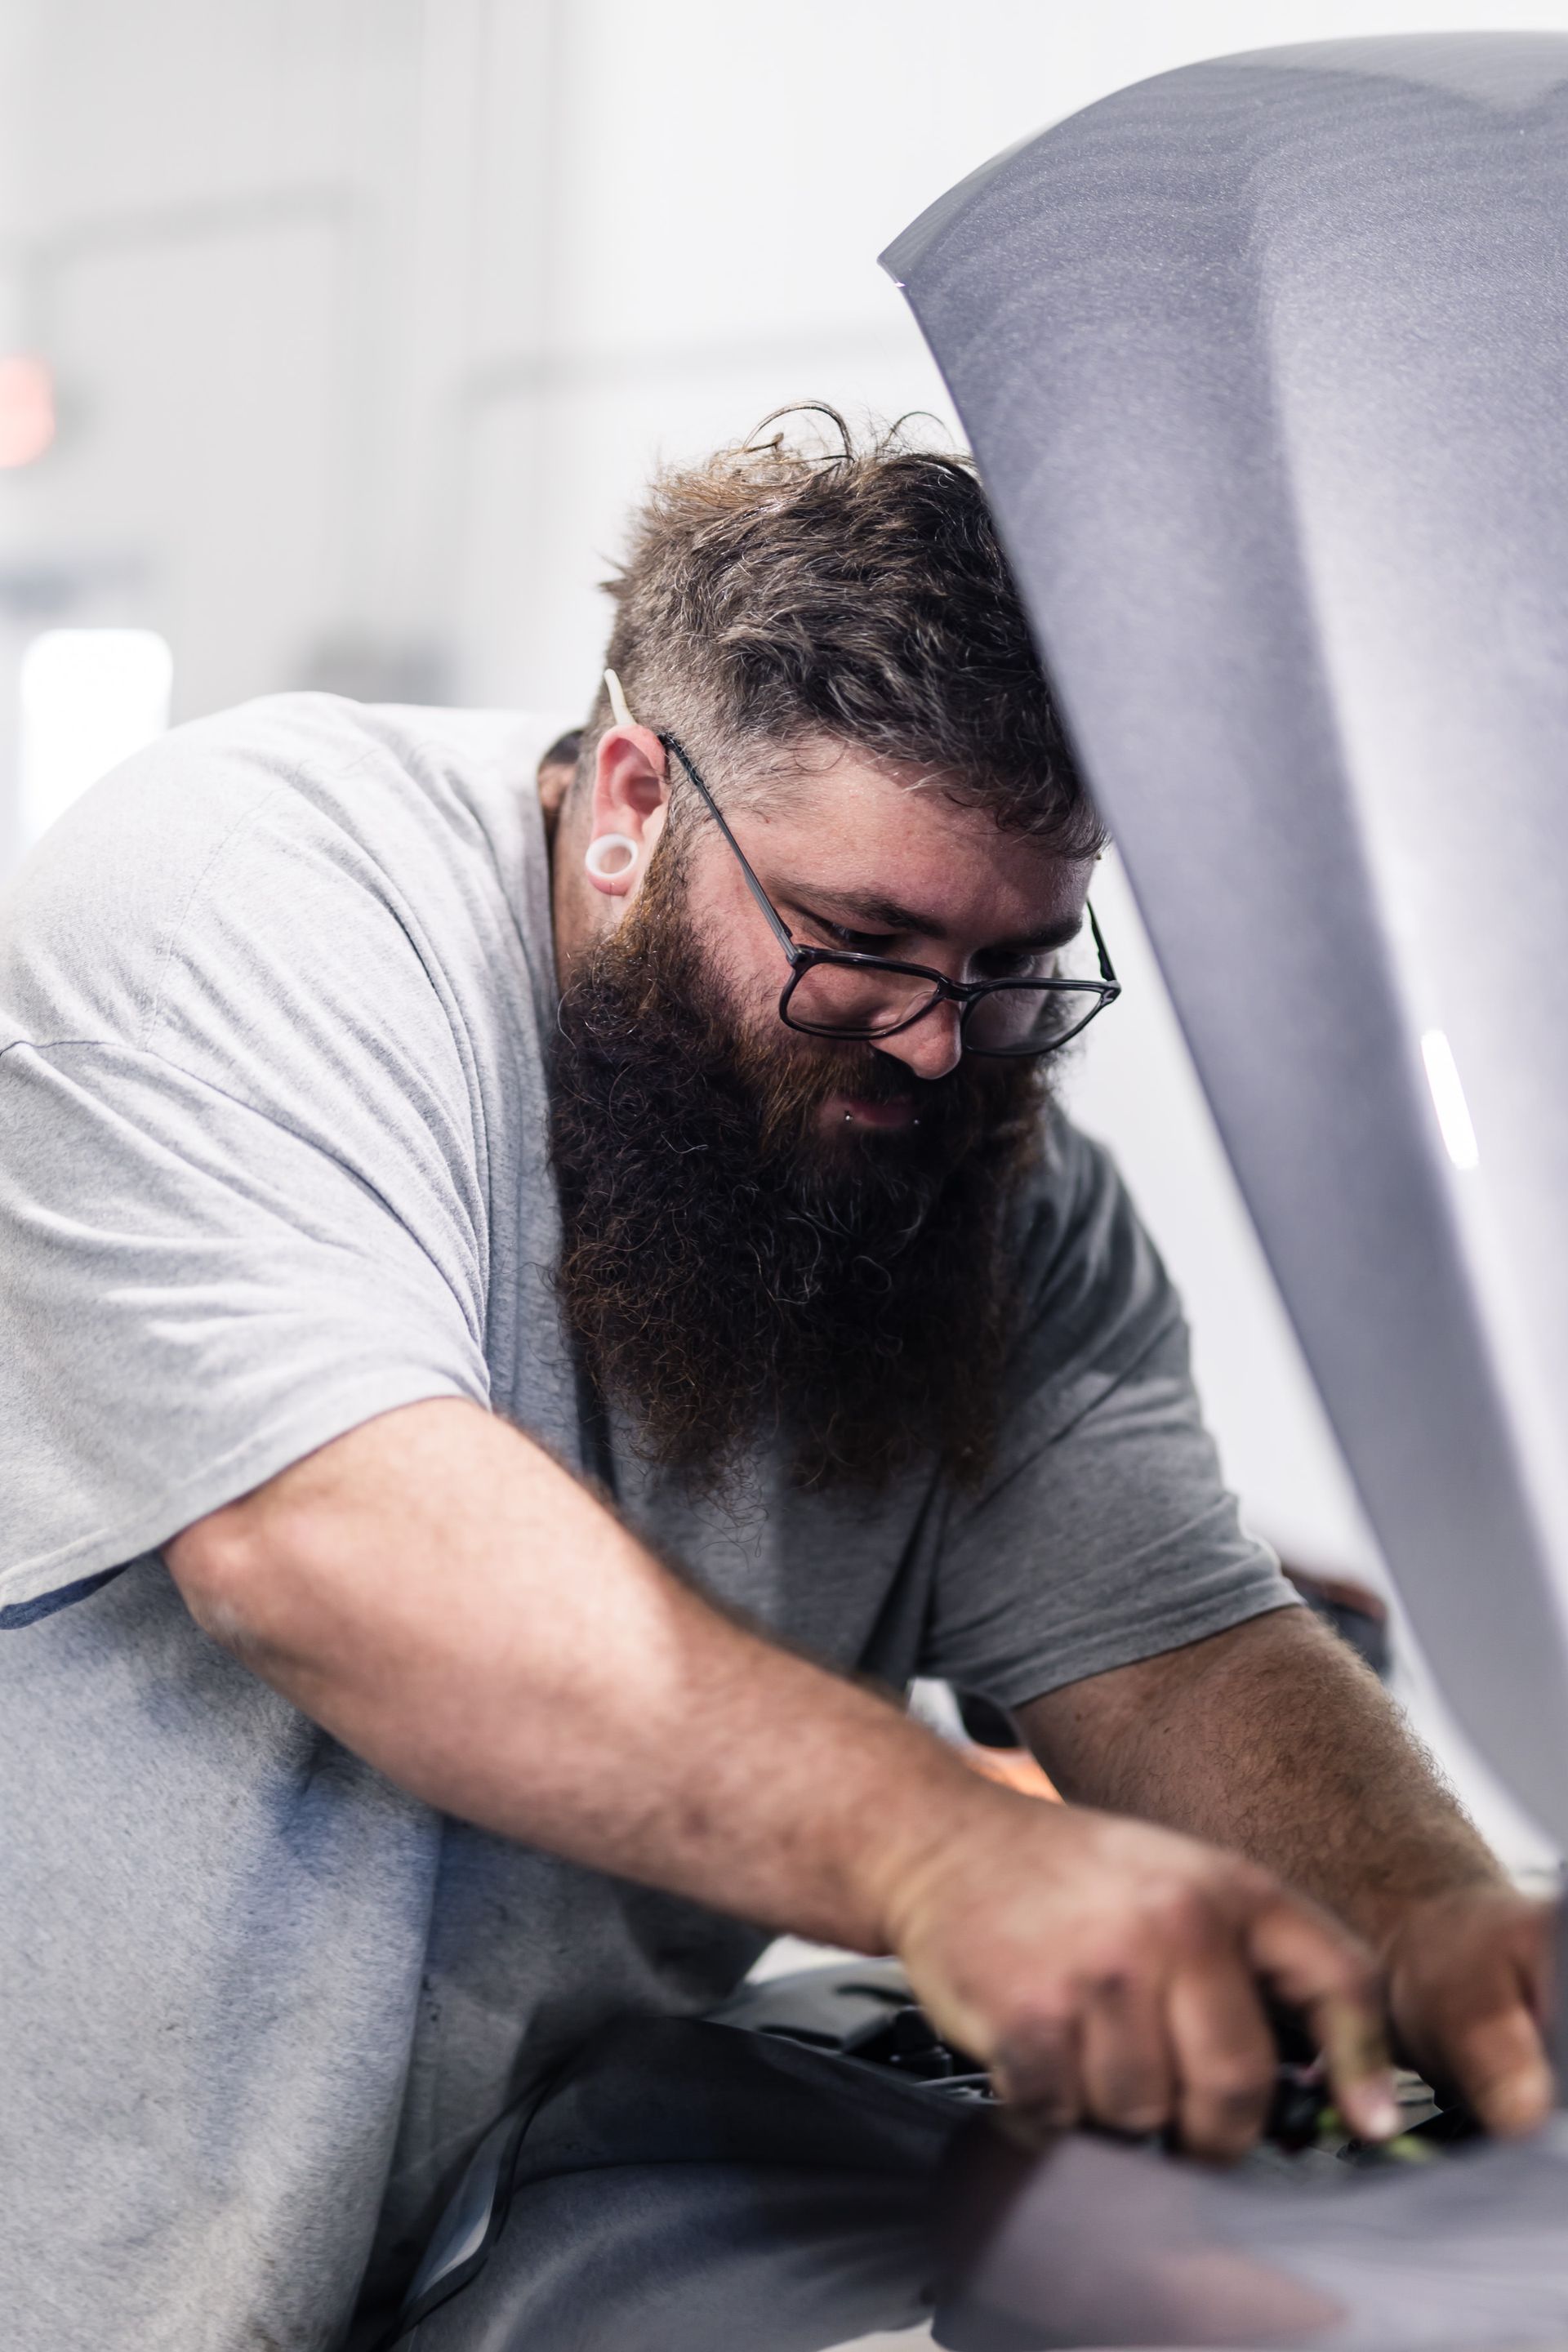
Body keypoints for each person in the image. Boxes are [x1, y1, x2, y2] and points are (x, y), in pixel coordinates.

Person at [0, 416, 1550, 2352]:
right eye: (860, 942)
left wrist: (1443, 1926)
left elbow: (1169, 1649)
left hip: (486, 2267)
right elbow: (327, 1540)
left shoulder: (989, 1189)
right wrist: (941, 1851)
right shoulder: (255, 901)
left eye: (1013, 966)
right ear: (639, 799)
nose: (933, 1047)